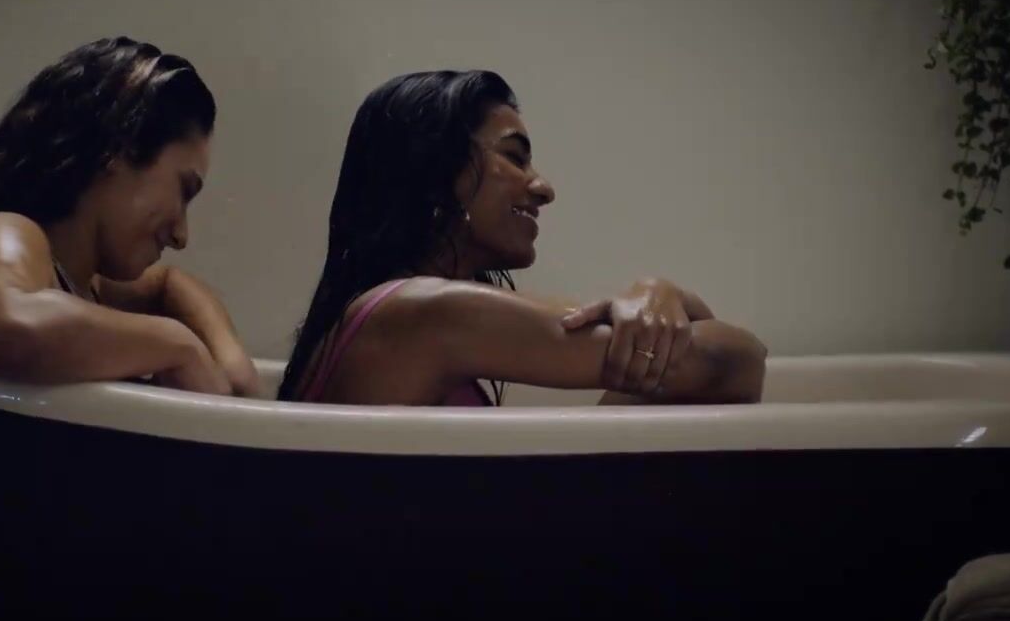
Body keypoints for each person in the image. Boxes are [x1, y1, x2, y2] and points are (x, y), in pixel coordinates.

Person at [280, 70, 765, 406]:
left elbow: (723, 369)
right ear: (434, 172)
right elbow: (736, 363)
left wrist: (663, 294)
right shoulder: (425, 311)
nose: (544, 188)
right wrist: (664, 298)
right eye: (514, 157)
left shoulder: (389, 315)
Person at [0, 37, 258, 396]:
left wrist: (233, 367)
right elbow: (7, 324)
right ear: (118, 149)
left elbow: (168, 285)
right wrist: (179, 345)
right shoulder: (4, 232)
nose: (181, 235)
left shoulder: (86, 283)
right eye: (184, 190)